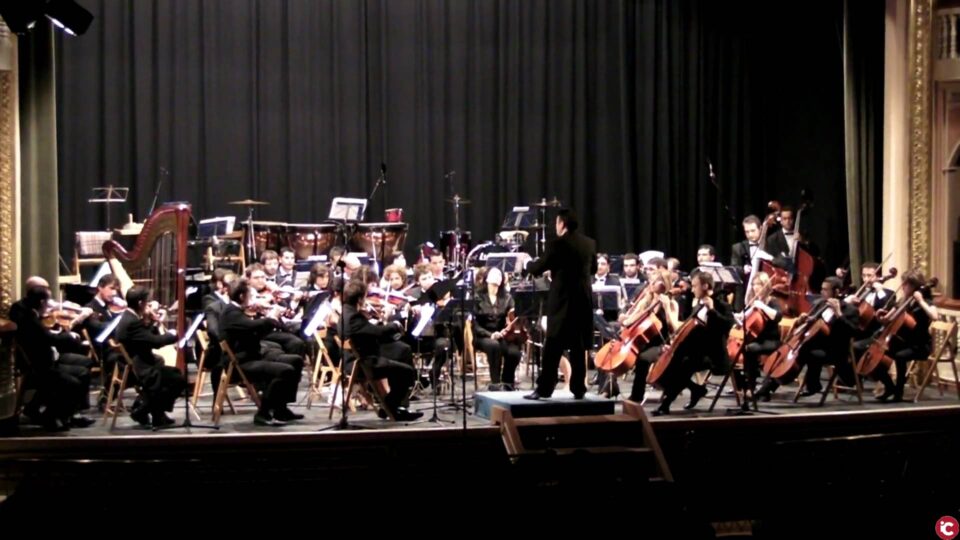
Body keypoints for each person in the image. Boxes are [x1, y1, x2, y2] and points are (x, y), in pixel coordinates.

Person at [523, 208, 596, 400]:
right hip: (583, 301)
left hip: (563, 303)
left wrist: (527, 264)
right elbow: (593, 268)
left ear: (562, 223)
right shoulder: (589, 244)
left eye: (556, 223)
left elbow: (539, 267)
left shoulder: (558, 244)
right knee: (578, 347)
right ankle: (578, 388)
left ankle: (544, 388)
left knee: (553, 346)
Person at [342, 280, 422, 421]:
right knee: (407, 371)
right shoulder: (354, 317)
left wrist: (379, 321)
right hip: (362, 363)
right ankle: (390, 406)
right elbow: (378, 333)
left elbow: (368, 331)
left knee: (402, 350)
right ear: (360, 298)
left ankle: (397, 406)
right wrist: (394, 325)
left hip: (361, 355)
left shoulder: (347, 312)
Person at [115, 286, 186, 428]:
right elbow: (155, 342)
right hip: (138, 368)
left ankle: (157, 413)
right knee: (176, 379)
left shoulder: (130, 317)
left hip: (138, 363)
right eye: (147, 302)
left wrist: (153, 321)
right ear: (141, 303)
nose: (149, 305)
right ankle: (142, 410)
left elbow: (145, 338)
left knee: (170, 373)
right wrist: (174, 335)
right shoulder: (132, 322)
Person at [472, 267, 522, 390]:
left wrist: (506, 330)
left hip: (501, 334)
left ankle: (507, 382)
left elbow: (513, 317)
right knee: (494, 346)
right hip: (483, 336)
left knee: (514, 352)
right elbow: (473, 324)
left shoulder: (507, 297)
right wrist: (490, 335)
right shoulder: (477, 297)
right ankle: (495, 383)